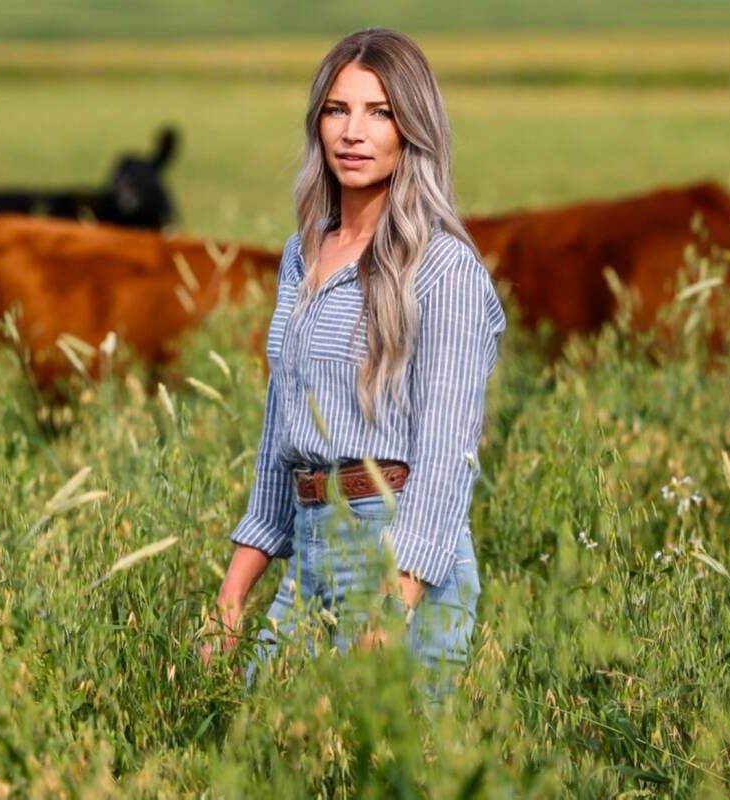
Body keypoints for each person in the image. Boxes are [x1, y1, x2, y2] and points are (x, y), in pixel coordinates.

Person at [201, 27, 507, 699]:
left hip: (402, 558)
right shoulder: (301, 254)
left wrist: (393, 603)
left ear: (413, 129)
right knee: (265, 750)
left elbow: (448, 455)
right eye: (338, 109)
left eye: (380, 112)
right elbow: (283, 438)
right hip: (310, 554)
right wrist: (232, 595)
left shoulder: (444, 270)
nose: (353, 132)